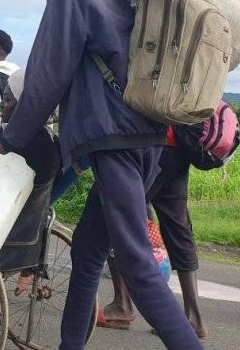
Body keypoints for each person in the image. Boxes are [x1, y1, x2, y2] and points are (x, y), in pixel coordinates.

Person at [0, 0, 203, 348]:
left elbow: (48, 71)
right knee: (87, 252)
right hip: (146, 139)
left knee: (138, 268)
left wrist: (9, 139)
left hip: (115, 141)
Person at [97, 126, 206, 339]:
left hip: (151, 142)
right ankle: (193, 318)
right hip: (179, 148)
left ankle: (122, 305)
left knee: (118, 216)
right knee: (178, 228)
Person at [0, 70, 61, 290]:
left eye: (6, 99)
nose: (0, 105)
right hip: (29, 237)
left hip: (3, 232)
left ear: (25, 105)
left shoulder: (15, 141)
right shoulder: (47, 139)